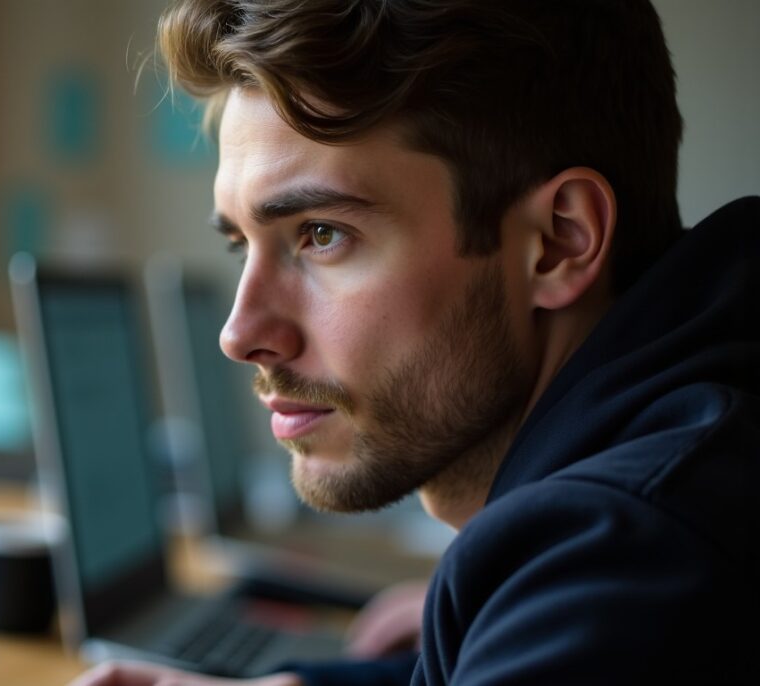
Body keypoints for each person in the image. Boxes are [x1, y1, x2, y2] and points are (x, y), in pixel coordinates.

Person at [71, 0, 757, 684]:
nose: (240, 334)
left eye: (320, 234)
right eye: (239, 244)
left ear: (558, 243)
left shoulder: (624, 559)